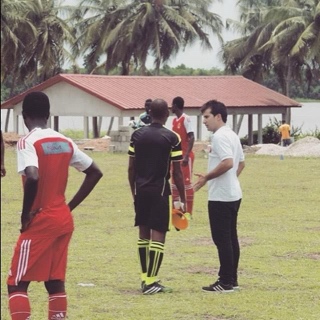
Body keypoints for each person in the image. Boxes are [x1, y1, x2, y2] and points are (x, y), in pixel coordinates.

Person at [7, 91, 103, 319]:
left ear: (24, 116)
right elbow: (95, 172)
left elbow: (33, 176)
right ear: (48, 115)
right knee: (54, 281)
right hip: (62, 220)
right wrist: (68, 207)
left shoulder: (27, 141)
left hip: (40, 220)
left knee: (17, 283)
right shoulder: (65, 141)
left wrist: (25, 216)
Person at [128, 98, 186, 295]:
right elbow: (177, 172)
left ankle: (145, 278)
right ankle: (152, 283)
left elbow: (131, 168)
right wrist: (183, 198)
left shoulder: (136, 135)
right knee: (158, 234)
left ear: (149, 113)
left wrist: (133, 192)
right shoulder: (172, 137)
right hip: (160, 191)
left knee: (143, 234)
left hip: (141, 190)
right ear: (167, 114)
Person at [194, 100, 245, 293]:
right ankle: (232, 279)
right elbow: (241, 163)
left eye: (207, 117)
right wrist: (230, 180)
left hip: (221, 197)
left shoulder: (219, 137)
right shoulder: (232, 135)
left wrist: (206, 177)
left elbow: (228, 163)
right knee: (231, 238)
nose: (204, 122)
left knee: (222, 239)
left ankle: (225, 281)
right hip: (233, 193)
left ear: (218, 116)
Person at [171, 96, 195, 214]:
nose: (171, 107)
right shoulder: (174, 121)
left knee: (186, 183)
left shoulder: (186, 119)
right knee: (175, 182)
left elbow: (191, 137)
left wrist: (186, 156)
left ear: (175, 106)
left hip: (185, 157)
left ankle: (188, 211)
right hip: (176, 156)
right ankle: (177, 211)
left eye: (172, 105)